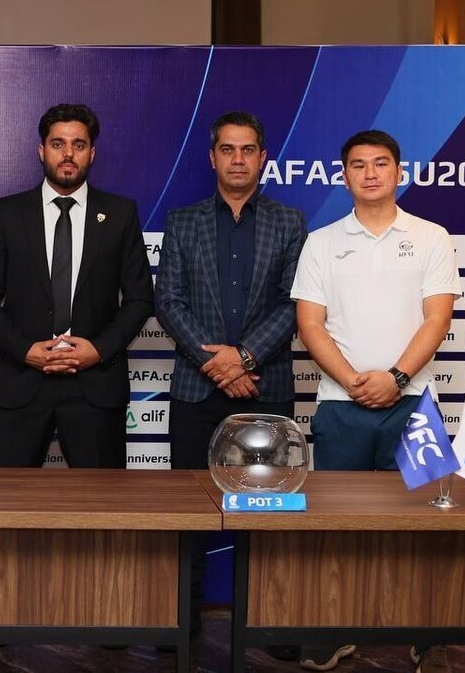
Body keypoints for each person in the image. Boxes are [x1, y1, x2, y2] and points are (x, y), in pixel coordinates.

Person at [292, 129, 461, 673]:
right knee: (337, 527)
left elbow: (437, 318)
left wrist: (396, 376)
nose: (370, 173)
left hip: (415, 405)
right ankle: (333, 633)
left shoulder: (432, 237)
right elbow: (310, 325)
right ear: (344, 176)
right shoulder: (321, 242)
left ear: (398, 172)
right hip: (339, 406)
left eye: (381, 163)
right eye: (359, 165)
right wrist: (354, 381)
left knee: (424, 527)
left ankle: (426, 637)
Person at [155, 110, 307, 642]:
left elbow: (295, 304)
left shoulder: (290, 222)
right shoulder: (183, 221)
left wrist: (243, 358)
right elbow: (168, 302)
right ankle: (184, 623)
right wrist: (218, 366)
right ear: (212, 157)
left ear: (262, 158)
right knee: (189, 514)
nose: (237, 160)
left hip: (266, 389)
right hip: (197, 392)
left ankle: (270, 627)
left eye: (247, 150)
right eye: (227, 149)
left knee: (270, 519)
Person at [0, 103, 153, 468]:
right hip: (19, 383)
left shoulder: (120, 214)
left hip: (95, 387)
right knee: (7, 500)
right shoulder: (7, 213)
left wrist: (98, 350)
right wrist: (26, 350)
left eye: (78, 145)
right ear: (42, 150)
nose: (68, 154)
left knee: (102, 501)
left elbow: (140, 298)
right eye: (58, 144)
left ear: (92, 153)